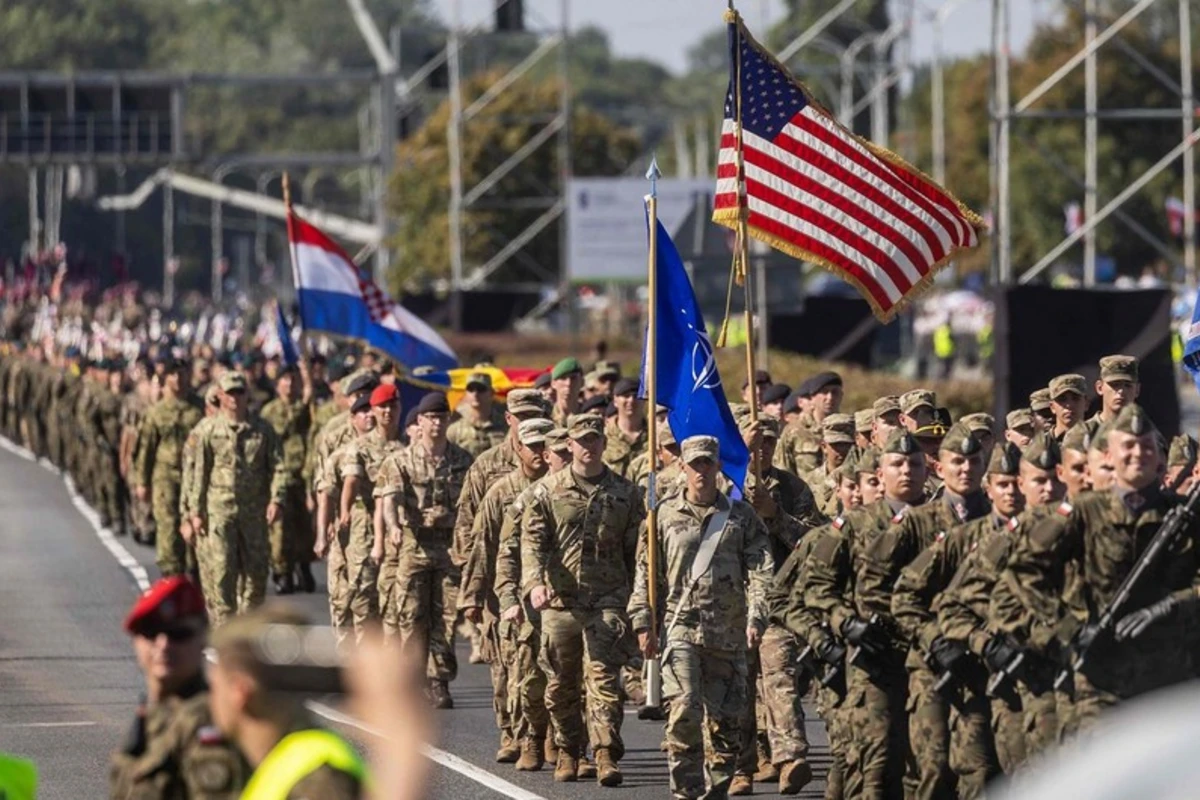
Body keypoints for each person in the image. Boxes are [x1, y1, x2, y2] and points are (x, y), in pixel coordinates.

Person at [1002, 404, 1200, 733]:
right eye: (1129, 446)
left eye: (1147, 446)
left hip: (1170, 680)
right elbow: (1023, 570)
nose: (1138, 454)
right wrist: (1069, 630)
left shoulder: (1184, 515)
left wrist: (1174, 604)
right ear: (1108, 455)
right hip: (1102, 681)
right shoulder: (1083, 511)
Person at [630, 435, 773, 800]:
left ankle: (717, 788)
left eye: (708, 463)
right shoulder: (661, 514)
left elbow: (761, 570)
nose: (702, 471)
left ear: (718, 466)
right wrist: (643, 621)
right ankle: (686, 789)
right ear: (682, 466)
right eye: (695, 464)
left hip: (728, 633)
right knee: (685, 708)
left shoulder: (741, 517)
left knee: (726, 722)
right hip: (681, 628)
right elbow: (646, 575)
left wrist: (757, 616)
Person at [804, 429, 929, 800]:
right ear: (882, 472)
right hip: (872, 660)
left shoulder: (943, 523)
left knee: (929, 765)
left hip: (927, 658)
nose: (907, 470)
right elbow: (815, 586)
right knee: (874, 765)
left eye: (915, 464)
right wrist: (844, 622)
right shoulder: (854, 526)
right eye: (897, 464)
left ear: (927, 470)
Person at [521, 413, 645, 786]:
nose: (588, 447)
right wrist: (533, 583)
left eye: (595, 440)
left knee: (603, 678)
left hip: (607, 599)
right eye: (581, 441)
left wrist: (638, 600)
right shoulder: (548, 491)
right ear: (569, 445)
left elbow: (636, 551)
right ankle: (568, 750)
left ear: (603, 444)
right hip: (561, 601)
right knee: (561, 683)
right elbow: (533, 542)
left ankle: (605, 752)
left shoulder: (625, 492)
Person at [459, 418, 554, 763]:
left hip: (549, 593)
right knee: (509, 668)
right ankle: (513, 732)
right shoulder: (500, 491)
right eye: (533, 446)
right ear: (518, 448)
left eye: (545, 445)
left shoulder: (558, 487)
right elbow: (482, 544)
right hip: (505, 591)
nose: (541, 453)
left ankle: (548, 737)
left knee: (550, 668)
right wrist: (472, 594)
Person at [206, 605, 367, 799]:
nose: (209, 699)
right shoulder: (283, 762)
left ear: (239, 691)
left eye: (214, 686)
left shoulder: (317, 782)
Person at [377, 392, 474, 709]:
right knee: (412, 619)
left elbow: (472, 505)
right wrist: (392, 527)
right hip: (414, 550)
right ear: (419, 422)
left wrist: (456, 520)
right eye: (430, 418)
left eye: (441, 417)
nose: (436, 423)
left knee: (446, 619)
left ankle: (439, 681)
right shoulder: (400, 461)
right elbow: (389, 500)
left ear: (448, 420)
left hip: (449, 552)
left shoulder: (462, 460)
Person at [111, 576, 246, 799]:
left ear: (203, 637)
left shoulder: (208, 724)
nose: (163, 645)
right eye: (151, 633)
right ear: (136, 641)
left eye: (179, 634)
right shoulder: (153, 717)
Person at [184, 372, 287, 626]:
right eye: (230, 393)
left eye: (239, 392)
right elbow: (199, 474)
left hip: (254, 514)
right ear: (220, 395)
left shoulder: (263, 430)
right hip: (219, 513)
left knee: (256, 575)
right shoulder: (208, 430)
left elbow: (278, 467)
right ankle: (225, 632)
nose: (235, 398)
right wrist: (194, 513)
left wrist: (277, 499)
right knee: (221, 574)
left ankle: (248, 627)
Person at [136, 357, 204, 577]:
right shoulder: (156, 412)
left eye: (182, 373)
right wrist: (142, 482)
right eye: (173, 374)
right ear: (166, 378)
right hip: (165, 477)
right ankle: (171, 574)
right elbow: (146, 448)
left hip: (194, 478)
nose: (178, 378)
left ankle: (195, 572)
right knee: (167, 526)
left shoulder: (199, 408)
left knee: (195, 527)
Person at [258, 363, 314, 594]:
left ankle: (303, 565)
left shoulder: (306, 410)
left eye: (293, 380)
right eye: (285, 380)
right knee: (280, 529)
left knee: (303, 526)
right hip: (279, 475)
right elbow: (272, 437)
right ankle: (282, 571)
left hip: (301, 474)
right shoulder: (270, 411)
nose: (289, 385)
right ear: (277, 384)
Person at [447, 371, 507, 457]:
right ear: (466, 394)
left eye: (481, 389)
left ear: (491, 393)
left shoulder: (506, 427)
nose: (475, 394)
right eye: (471, 390)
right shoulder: (454, 431)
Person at [1084, 355, 1140, 438]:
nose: (1121, 391)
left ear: (1137, 390)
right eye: (1115, 385)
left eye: (1127, 385)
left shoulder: (1146, 435)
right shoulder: (1082, 435)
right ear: (1099, 388)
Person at [602, 377, 647, 480]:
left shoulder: (655, 437)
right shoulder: (603, 436)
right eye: (626, 396)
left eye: (636, 396)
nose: (631, 400)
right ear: (615, 401)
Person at [1046, 374, 1087, 440]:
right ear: (1052, 407)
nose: (1069, 405)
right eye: (1062, 399)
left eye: (1075, 398)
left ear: (1086, 404)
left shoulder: (1101, 441)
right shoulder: (1038, 447)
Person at [549, 358, 583, 427]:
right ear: (553, 384)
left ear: (582, 382)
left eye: (573, 378)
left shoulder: (589, 417)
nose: (568, 383)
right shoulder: (546, 417)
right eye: (563, 378)